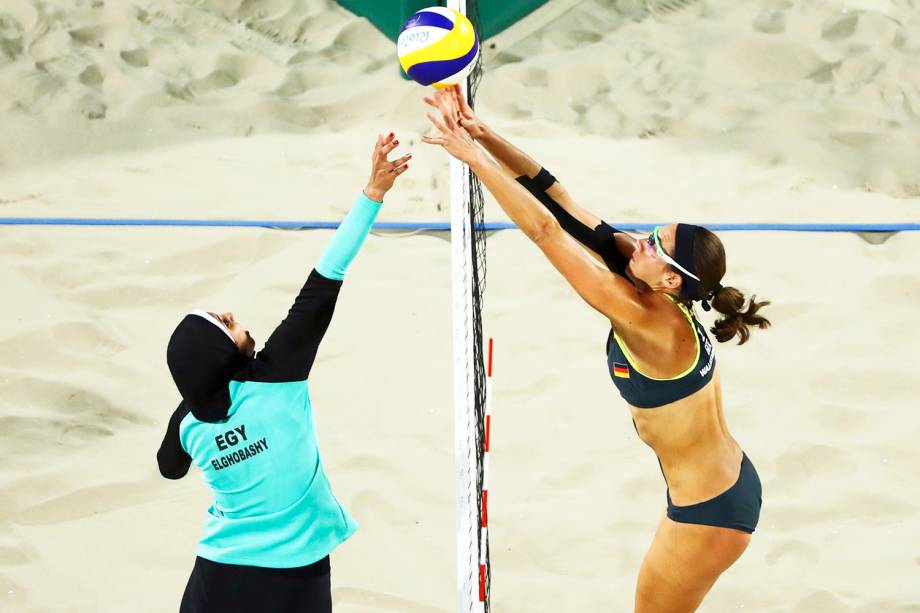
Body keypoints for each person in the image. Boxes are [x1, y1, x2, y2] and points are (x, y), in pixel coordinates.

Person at [423, 86, 769, 613]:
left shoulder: (645, 317)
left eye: (657, 244)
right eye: (654, 233)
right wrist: (483, 133)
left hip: (710, 511)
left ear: (674, 282)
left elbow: (543, 232)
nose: (642, 239)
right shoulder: (651, 279)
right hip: (720, 484)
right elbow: (558, 201)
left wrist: (471, 162)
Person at [156, 133, 410, 613]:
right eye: (226, 324)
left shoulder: (187, 422)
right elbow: (327, 276)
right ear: (223, 354)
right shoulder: (277, 377)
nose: (233, 316)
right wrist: (373, 193)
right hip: (295, 576)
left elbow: (170, 469)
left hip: (218, 573)